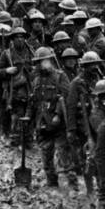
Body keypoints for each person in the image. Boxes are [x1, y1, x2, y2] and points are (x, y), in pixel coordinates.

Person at [29, 46, 70, 187]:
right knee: (46, 156)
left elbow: (66, 97)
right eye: (39, 62)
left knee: (63, 155)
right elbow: (33, 101)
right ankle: (52, 183)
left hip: (58, 123)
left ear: (50, 61)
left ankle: (72, 185)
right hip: (42, 122)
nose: (41, 65)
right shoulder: (36, 80)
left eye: (44, 61)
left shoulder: (60, 76)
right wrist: (28, 118)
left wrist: (58, 115)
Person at [0, 23, 34, 146]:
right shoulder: (7, 54)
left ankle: (27, 138)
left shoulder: (31, 52)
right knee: (17, 115)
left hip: (30, 88)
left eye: (22, 37)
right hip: (15, 89)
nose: (20, 39)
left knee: (30, 113)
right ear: (12, 39)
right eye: (17, 37)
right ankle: (15, 137)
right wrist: (7, 71)